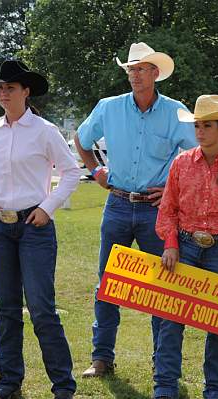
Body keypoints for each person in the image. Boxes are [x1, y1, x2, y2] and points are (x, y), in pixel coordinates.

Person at [74, 42, 196, 378]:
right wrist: (96, 171)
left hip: (157, 211)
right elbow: (81, 140)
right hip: (116, 204)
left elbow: (197, 156)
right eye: (131, 69)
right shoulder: (108, 108)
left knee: (164, 287)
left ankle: (164, 362)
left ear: (156, 73)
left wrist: (174, 189)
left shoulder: (176, 112)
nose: (135, 75)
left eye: (141, 69)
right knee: (108, 283)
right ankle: (102, 359)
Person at [0, 60, 80, 399]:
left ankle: (63, 386)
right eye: (0, 87)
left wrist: (47, 208)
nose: (3, 93)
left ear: (26, 92)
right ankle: (8, 382)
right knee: (6, 308)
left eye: (10, 88)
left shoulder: (45, 131)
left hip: (35, 226)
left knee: (42, 308)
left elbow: (72, 171)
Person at [154, 94, 218, 399]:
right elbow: (167, 208)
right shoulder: (182, 163)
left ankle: (215, 390)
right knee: (171, 320)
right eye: (197, 125)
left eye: (207, 125)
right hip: (184, 247)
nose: (200, 131)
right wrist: (170, 244)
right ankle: (165, 387)